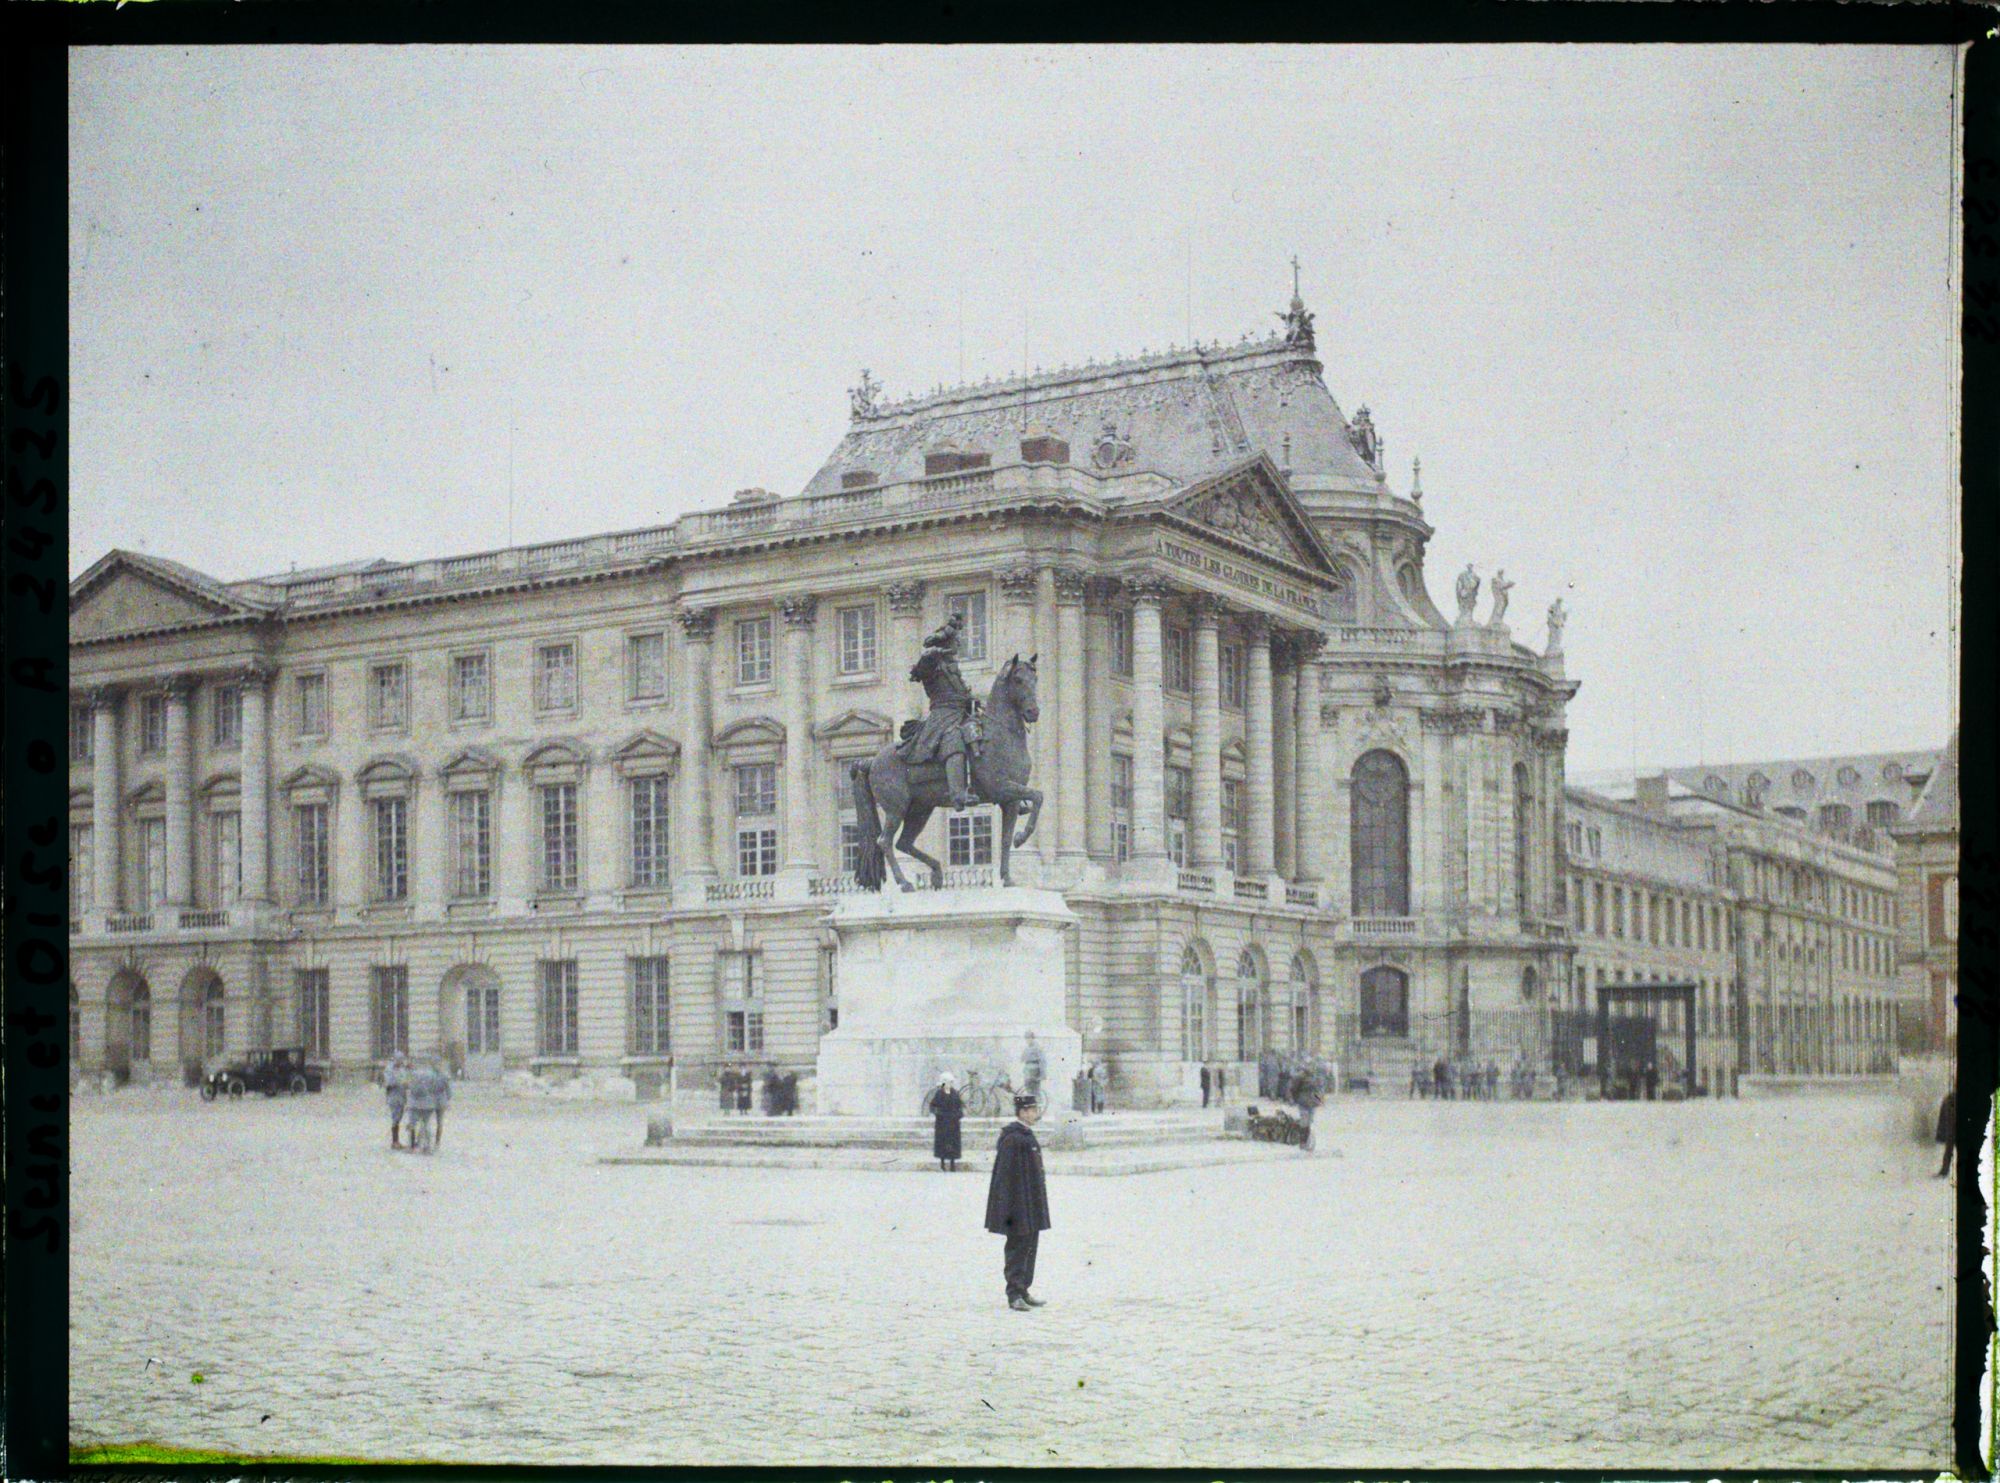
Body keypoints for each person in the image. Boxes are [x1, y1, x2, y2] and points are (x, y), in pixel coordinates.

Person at [899, 610, 979, 809]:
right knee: (954, 741)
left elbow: (960, 692)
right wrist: (932, 653)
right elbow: (920, 671)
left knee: (986, 734)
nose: (958, 646)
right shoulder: (933, 665)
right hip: (943, 716)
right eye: (954, 642)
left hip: (961, 712)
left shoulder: (952, 667)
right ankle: (958, 794)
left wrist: (971, 701)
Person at [985, 1092, 1052, 1311]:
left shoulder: (1025, 1134)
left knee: (1030, 1246)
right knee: (1017, 1247)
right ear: (1022, 1112)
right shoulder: (1013, 1138)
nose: (1035, 1113)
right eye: (1032, 1110)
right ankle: (1014, 1294)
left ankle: (1023, 1289)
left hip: (1030, 1204)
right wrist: (1010, 1210)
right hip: (1018, 1206)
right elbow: (1005, 1179)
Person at [926, 1074, 964, 1172]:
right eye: (948, 1082)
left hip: (953, 1122)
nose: (950, 1084)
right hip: (942, 1122)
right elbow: (932, 1106)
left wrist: (959, 1114)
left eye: (951, 1082)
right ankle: (942, 1163)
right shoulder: (939, 1093)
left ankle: (952, 1164)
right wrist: (938, 1113)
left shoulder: (955, 1093)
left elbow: (960, 1105)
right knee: (942, 1142)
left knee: (953, 1143)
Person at [382, 1052, 411, 1149]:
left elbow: (406, 1079)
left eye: (402, 1059)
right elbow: (388, 1083)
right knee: (395, 1119)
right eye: (399, 1059)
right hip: (393, 1097)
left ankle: (397, 1141)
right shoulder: (389, 1070)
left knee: (399, 1117)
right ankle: (394, 1141)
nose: (401, 1061)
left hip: (402, 1096)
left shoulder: (402, 1069)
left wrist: (407, 1084)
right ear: (395, 1059)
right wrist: (399, 1082)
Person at [1294, 1066, 1323, 1154]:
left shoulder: (1314, 1079)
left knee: (1307, 1122)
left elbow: (1318, 1091)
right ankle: (1304, 1142)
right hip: (1305, 1103)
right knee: (1305, 1122)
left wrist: (1319, 1100)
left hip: (1308, 1103)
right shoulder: (1300, 1079)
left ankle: (1306, 1142)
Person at [1936, 1088, 1957, 1178]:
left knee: (1949, 1149)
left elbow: (1943, 1117)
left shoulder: (1949, 1098)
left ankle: (1945, 1170)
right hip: (1954, 1129)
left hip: (1952, 1129)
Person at [1020, 1030, 1046, 1102]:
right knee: (1028, 1089)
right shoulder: (1027, 1048)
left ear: (1032, 1038)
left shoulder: (1037, 1047)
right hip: (1028, 1071)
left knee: (1035, 1091)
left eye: (1029, 1038)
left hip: (1035, 1071)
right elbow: (1022, 1059)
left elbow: (1042, 1060)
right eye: (1026, 1038)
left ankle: (1036, 1105)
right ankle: (1031, 1105)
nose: (1027, 1040)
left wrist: (1042, 1074)